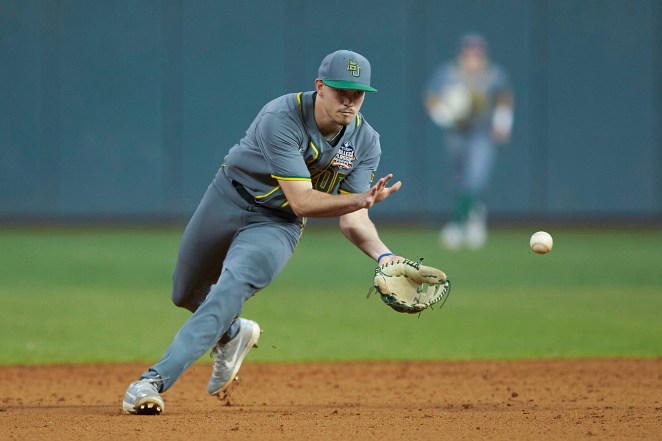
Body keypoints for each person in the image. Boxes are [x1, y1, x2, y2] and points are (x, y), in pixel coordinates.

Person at [122, 49, 403, 415]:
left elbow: (353, 220)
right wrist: (360, 199)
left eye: (358, 93)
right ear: (320, 87)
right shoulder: (282, 117)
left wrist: (384, 254)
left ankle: (151, 382)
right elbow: (304, 199)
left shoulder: (366, 141)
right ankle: (233, 333)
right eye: (340, 91)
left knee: (231, 285)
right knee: (185, 293)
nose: (350, 101)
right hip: (226, 198)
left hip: (277, 224)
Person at [424, 33, 514, 250]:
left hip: (481, 134)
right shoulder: (448, 72)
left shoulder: (493, 74)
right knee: (460, 178)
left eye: (477, 53)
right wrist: (444, 116)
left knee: (475, 179)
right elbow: (431, 97)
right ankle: (474, 214)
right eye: (469, 53)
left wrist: (503, 123)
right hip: (456, 133)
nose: (472, 57)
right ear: (462, 54)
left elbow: (504, 97)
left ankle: (456, 225)